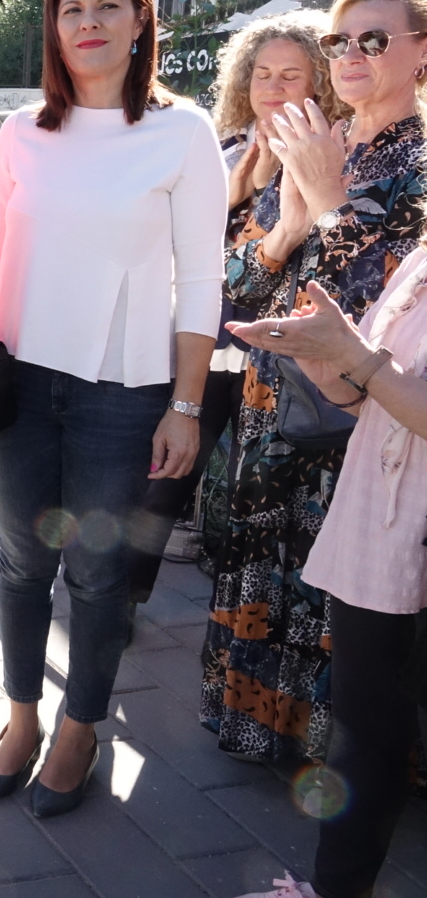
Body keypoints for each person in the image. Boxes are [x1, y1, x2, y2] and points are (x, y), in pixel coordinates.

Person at [0, 0, 228, 819]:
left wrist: (185, 404)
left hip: (125, 392)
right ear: (53, 26)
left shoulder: (183, 133)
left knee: (97, 569)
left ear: (141, 19)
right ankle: (20, 720)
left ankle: (80, 729)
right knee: (20, 561)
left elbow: (203, 278)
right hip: (20, 384)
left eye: (108, 6)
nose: (88, 23)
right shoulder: (21, 131)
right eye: (72, 8)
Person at [202, 0, 427, 766]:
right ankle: (261, 734)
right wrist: (286, 228)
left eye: (375, 39)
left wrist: (328, 208)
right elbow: (236, 288)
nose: (350, 54)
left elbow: (377, 319)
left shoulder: (419, 165)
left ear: (422, 56)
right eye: (339, 41)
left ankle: (336, 770)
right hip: (269, 405)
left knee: (336, 599)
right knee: (263, 568)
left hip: (360, 427)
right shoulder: (322, 140)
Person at [127, 12, 346, 629]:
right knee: (161, 484)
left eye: (291, 75)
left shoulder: (330, 158)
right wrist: (239, 188)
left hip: (278, 369)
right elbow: (179, 248)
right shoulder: (223, 151)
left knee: (258, 500)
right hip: (205, 352)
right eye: (262, 73)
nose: (272, 87)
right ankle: (120, 602)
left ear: (321, 81)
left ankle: (252, 635)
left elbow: (294, 259)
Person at [225, 258, 427, 898]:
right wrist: (327, 368)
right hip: (381, 534)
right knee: (367, 731)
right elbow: (370, 397)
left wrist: (357, 360)